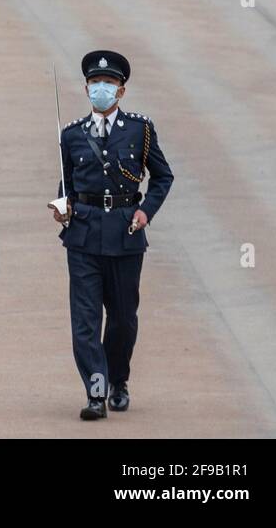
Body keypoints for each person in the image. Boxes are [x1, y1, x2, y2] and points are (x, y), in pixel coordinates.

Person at [55, 50, 173, 420]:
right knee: (85, 319)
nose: (100, 89)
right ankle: (95, 391)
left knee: (123, 317)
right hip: (84, 235)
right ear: (86, 87)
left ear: (121, 91)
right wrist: (62, 207)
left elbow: (162, 176)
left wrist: (145, 210)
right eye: (94, 83)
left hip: (126, 231)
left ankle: (118, 379)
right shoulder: (72, 134)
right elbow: (66, 184)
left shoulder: (140, 129)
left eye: (108, 84)